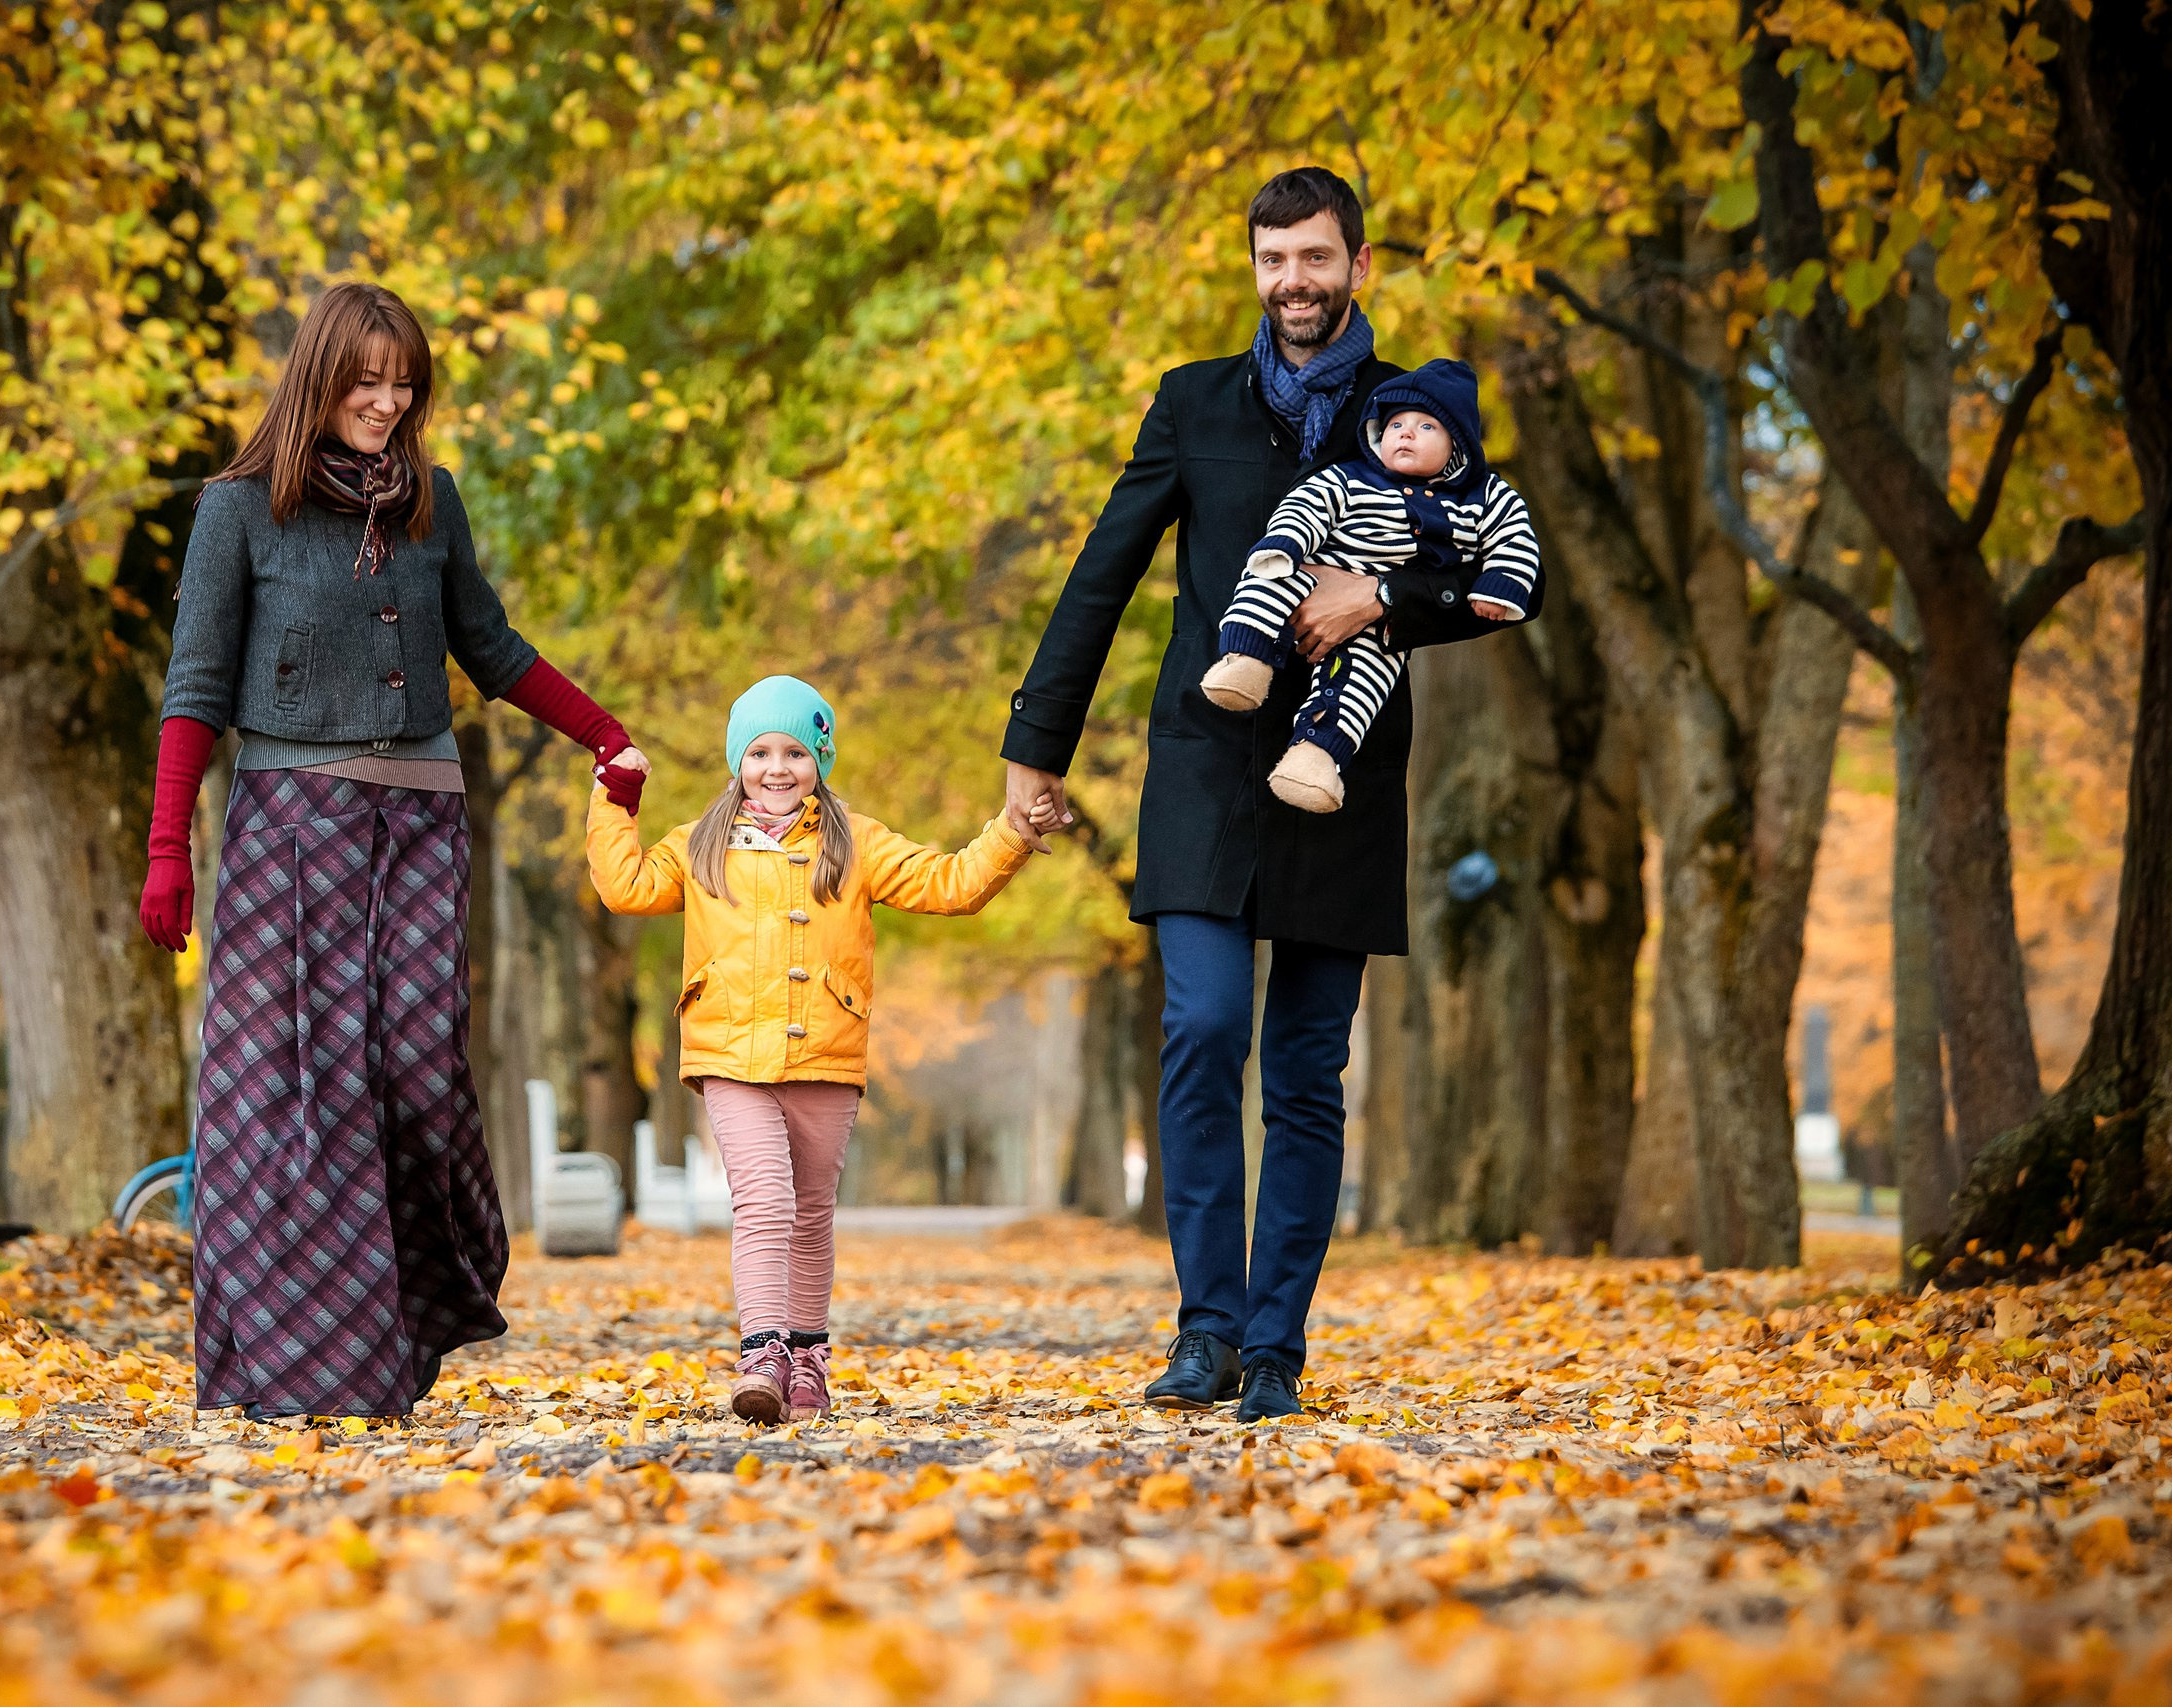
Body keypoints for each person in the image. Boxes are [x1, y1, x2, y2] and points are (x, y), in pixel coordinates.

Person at [1000, 169, 1539, 1423]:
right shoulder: (1192, 404)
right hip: (1202, 758)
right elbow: (1102, 571)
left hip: (1339, 771)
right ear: (1254, 269)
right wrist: (1038, 741)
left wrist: (1382, 600)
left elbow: (1500, 572)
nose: (1292, 282)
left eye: (1314, 258)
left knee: (1304, 1068)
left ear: (1359, 265)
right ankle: (1204, 1332)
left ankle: (1276, 1347)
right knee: (1198, 1031)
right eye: (1271, 260)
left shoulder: (1420, 418)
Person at [138, 280, 648, 1424]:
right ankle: (311, 1364)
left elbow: (493, 646)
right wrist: (167, 846)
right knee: (292, 1095)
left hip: (421, 824)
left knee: (418, 1075)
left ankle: (420, 1308)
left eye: (402, 379)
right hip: (285, 826)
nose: (387, 399)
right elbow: (195, 689)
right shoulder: (236, 512)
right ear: (319, 378)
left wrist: (602, 733)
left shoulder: (433, 503)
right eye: (365, 380)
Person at [586, 676, 1031, 1426]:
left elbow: (951, 884)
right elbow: (624, 886)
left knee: (813, 1211)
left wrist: (1013, 831)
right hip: (730, 1054)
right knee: (764, 1198)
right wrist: (615, 796)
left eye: (795, 750)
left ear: (820, 758)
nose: (776, 766)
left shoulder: (855, 843)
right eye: (759, 751)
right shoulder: (700, 843)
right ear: (737, 761)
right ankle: (762, 1351)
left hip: (826, 1051)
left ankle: (809, 1360)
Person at [1200, 358, 1540, 812]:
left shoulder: (1485, 496)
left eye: (1425, 427)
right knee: (1268, 579)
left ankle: (1315, 757)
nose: (1405, 433)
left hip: (1384, 625)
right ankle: (1246, 656)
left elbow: (1515, 537)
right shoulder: (1353, 477)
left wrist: (1498, 585)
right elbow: (1308, 505)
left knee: (1365, 681)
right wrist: (1287, 543)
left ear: (1457, 444)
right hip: (1314, 571)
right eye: (1396, 423)